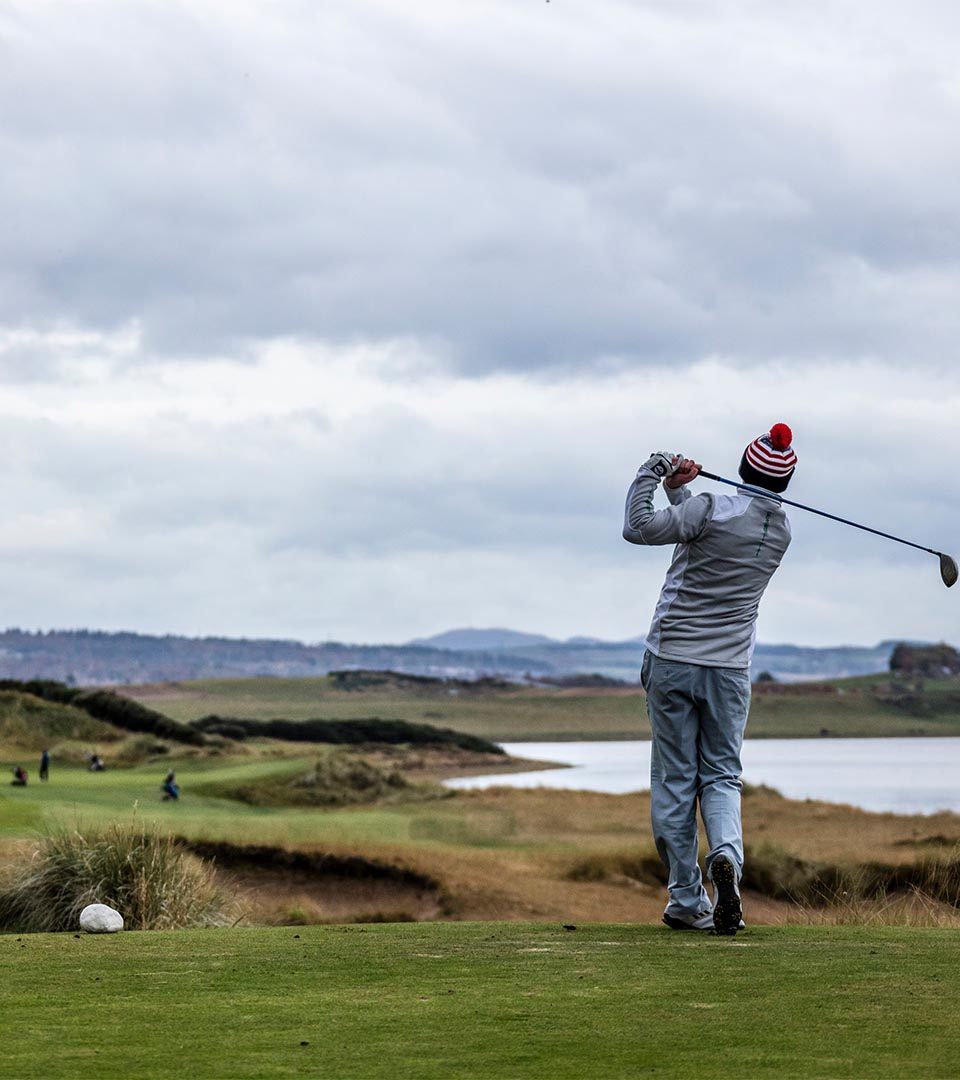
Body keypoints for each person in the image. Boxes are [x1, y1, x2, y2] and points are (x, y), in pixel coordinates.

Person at [622, 424, 796, 935]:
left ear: (743, 467)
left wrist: (653, 469)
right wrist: (682, 489)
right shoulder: (780, 532)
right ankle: (726, 859)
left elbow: (640, 527)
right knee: (721, 776)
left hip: (673, 658)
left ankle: (686, 899)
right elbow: (703, 525)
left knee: (676, 780)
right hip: (730, 672)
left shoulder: (710, 508)